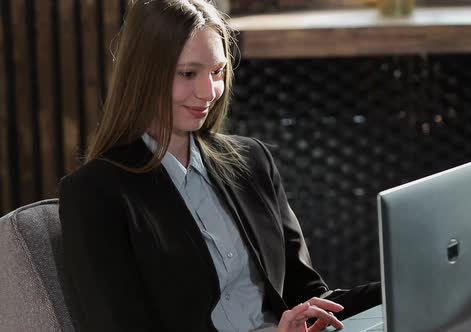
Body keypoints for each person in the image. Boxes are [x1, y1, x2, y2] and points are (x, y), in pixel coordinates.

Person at [58, 0, 381, 331]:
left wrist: (402, 288)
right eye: (187, 73)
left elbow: (310, 298)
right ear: (142, 74)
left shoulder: (252, 162)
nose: (208, 91)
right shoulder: (94, 193)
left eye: (217, 71)